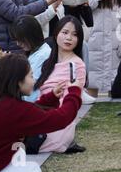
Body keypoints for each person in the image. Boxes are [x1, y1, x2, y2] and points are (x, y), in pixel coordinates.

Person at [34, 16, 87, 153]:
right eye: (65, 32)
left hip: (60, 122)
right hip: (41, 117)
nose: (69, 38)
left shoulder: (77, 65)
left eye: (74, 35)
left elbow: (72, 101)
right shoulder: (48, 63)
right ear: (56, 33)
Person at [8, 15, 52, 102]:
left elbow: (32, 90)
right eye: (16, 40)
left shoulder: (42, 55)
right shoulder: (36, 51)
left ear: (32, 36)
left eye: (21, 40)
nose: (18, 43)